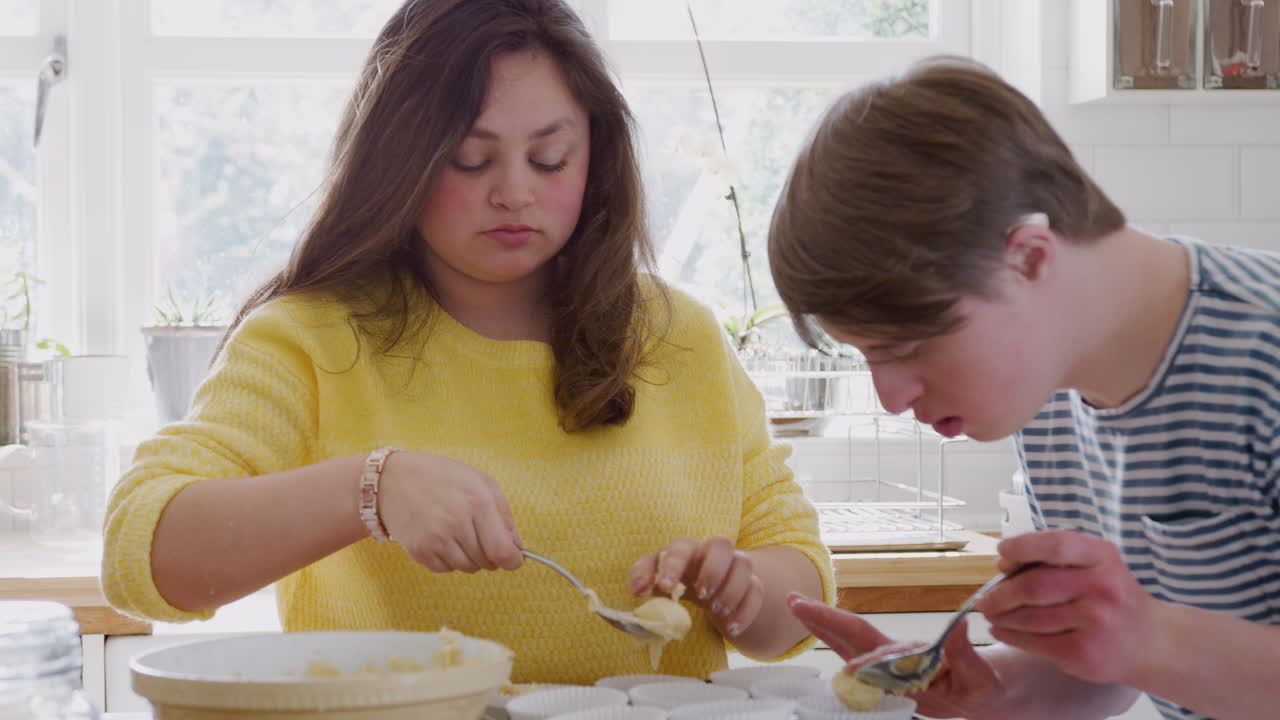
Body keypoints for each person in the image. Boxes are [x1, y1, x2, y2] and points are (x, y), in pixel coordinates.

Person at [102, 0, 832, 684]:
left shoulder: (680, 338)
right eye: (471, 159)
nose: (514, 192)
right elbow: (140, 556)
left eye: (550, 159)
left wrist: (747, 588)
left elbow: (799, 579)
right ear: (403, 160)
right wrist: (372, 490)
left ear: (595, 156)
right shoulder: (310, 341)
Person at [768, 56, 1278, 720]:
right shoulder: (1047, 392)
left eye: (909, 347)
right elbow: (1113, 674)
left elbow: (1154, 649)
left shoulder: (1264, 354)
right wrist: (986, 685)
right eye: (866, 354)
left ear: (1029, 256)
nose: (891, 398)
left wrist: (1155, 636)